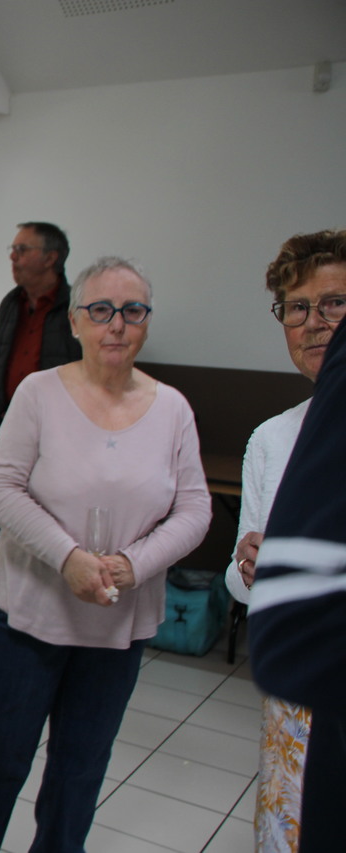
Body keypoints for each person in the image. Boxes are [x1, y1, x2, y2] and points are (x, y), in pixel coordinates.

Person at [0, 257, 212, 853]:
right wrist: (68, 558)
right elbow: (3, 489)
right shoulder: (39, 394)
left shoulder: (173, 409)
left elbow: (194, 510)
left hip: (117, 623)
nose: (117, 324)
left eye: (132, 311)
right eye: (101, 310)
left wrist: (133, 564)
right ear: (77, 321)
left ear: (147, 322)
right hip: (31, 616)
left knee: (80, 768)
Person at [240, 231, 346, 853]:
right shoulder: (273, 438)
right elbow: (240, 583)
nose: (314, 323)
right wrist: (252, 566)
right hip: (293, 701)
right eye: (297, 307)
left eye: (334, 303)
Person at [0, 221, 80, 640]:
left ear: (51, 258)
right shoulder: (11, 303)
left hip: (56, 434)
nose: (13, 257)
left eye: (22, 249)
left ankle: (39, 612)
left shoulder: (74, 307)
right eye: (12, 249)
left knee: (44, 519)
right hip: (2, 424)